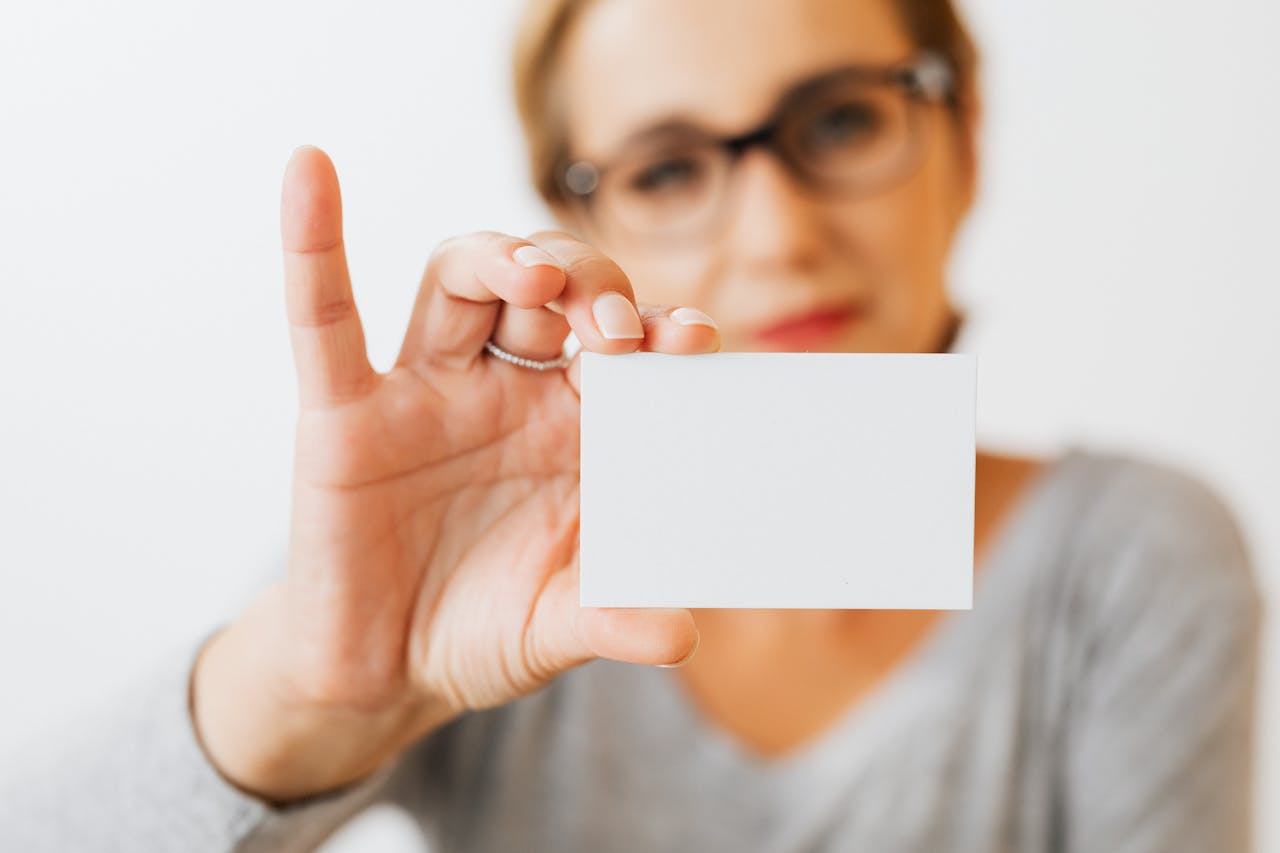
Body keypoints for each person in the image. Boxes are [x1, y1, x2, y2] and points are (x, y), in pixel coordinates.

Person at [1, 0, 1263, 850]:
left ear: (964, 139)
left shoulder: (1131, 559)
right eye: (666, 168)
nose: (776, 236)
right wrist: (305, 694)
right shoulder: (482, 545)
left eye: (839, 120)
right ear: (576, 214)